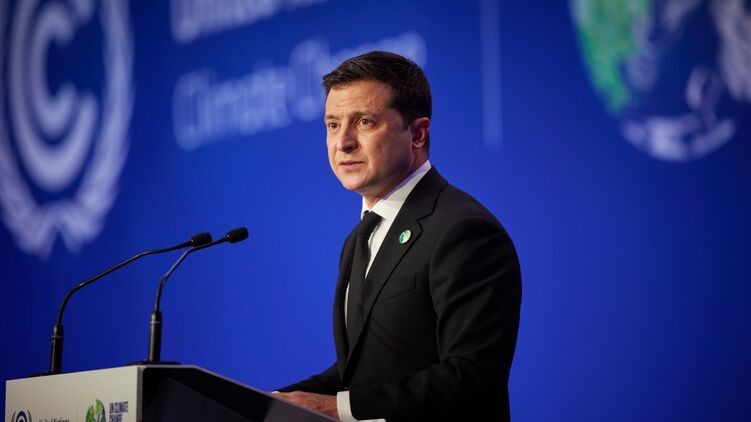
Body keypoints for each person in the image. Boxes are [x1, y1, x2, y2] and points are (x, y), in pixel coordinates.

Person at [275, 51, 521, 421]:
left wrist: (339, 408)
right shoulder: (359, 238)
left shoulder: (463, 231)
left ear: (417, 133)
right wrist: (268, 403)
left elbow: (471, 379)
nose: (343, 142)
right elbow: (363, 371)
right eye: (332, 125)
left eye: (364, 122)